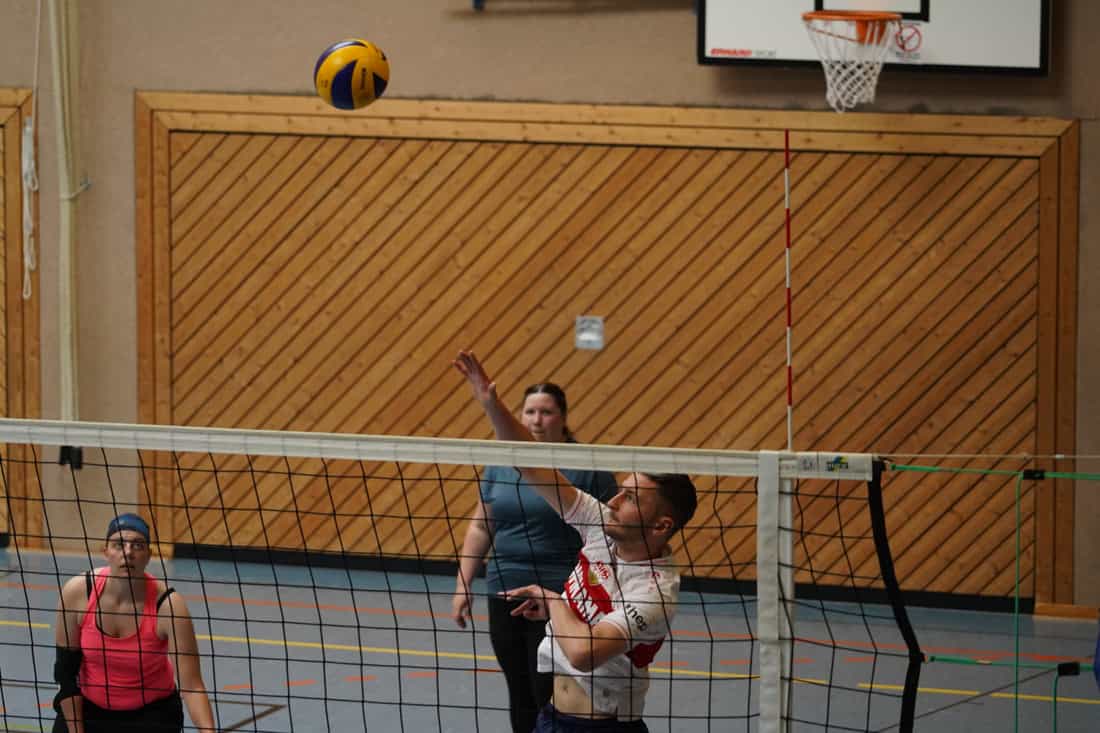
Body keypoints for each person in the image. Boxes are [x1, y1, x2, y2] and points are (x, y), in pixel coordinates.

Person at [454, 351, 697, 732]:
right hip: (553, 718)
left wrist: (555, 601)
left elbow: (584, 653)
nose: (613, 501)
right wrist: (491, 405)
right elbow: (531, 463)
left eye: (631, 498)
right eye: (621, 490)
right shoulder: (602, 525)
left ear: (660, 525)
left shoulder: (655, 592)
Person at [452, 380, 618, 733]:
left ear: (563, 418)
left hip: (562, 594)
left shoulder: (589, 466)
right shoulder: (500, 464)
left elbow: (611, 533)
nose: (536, 420)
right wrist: (463, 584)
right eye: (529, 412)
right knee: (520, 690)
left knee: (549, 690)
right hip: (505, 589)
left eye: (546, 412)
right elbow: (481, 526)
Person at [52, 514, 216, 733]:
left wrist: (208, 731)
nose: (128, 552)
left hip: (151, 715)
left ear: (149, 555)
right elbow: (66, 676)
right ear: (105, 552)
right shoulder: (78, 592)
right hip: (89, 711)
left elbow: (192, 686)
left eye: (137, 545)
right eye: (119, 544)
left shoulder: (168, 605)